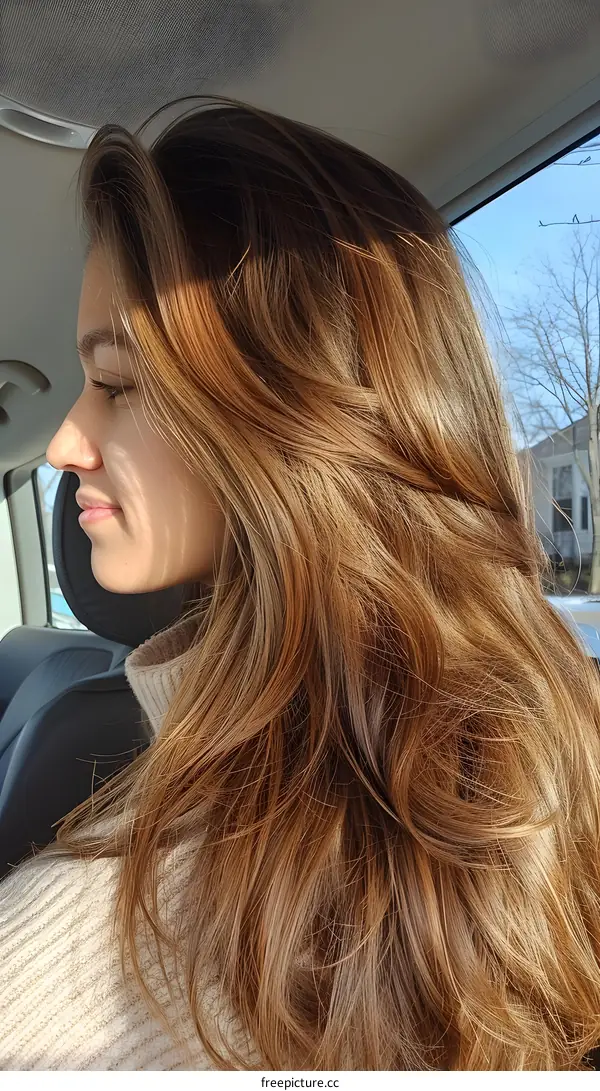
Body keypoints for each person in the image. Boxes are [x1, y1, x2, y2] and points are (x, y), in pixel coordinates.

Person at [2, 97, 600, 1072]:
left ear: (285, 421)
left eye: (115, 384)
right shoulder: (564, 763)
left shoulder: (66, 960)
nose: (67, 445)